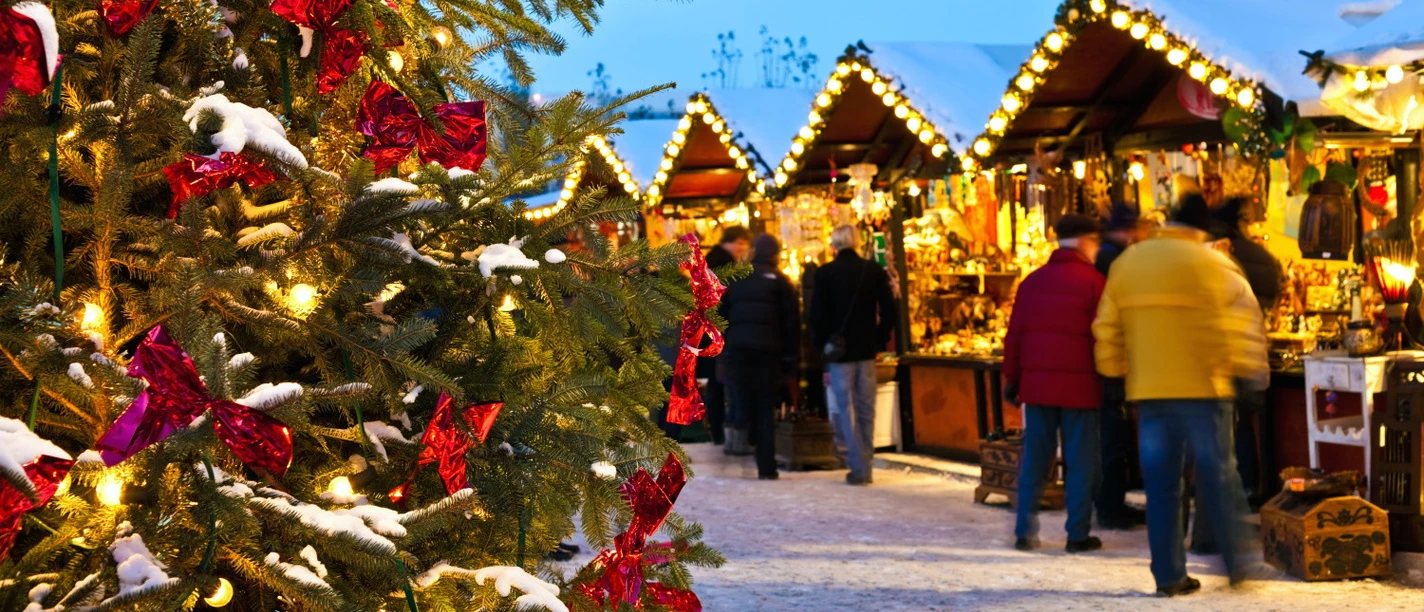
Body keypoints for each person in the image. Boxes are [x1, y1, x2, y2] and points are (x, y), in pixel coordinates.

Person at [1093, 196, 1269, 597]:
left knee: (1162, 487)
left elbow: (1106, 326)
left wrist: (1116, 370)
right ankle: (1237, 565)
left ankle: (1170, 575)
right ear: (1202, 228)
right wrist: (1246, 374)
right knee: (1219, 476)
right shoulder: (1212, 263)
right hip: (1206, 390)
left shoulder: (1129, 263)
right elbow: (1239, 324)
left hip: (1151, 393)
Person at [1003, 214, 1106, 554]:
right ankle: (1077, 535)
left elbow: (1014, 337)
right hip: (1081, 390)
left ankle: (1023, 530)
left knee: (1035, 459)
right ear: (1086, 242)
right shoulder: (1095, 283)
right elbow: (1103, 339)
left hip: (1038, 389)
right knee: (1080, 463)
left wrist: (1013, 379)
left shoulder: (1031, 283)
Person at [810, 225, 897, 485]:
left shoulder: (825, 273)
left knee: (845, 410)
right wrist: (879, 338)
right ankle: (865, 465)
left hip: (839, 354)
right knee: (866, 408)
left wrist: (824, 346)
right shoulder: (872, 270)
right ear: (857, 242)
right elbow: (890, 310)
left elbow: (817, 316)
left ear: (834, 243)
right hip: (867, 351)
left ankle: (858, 466)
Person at [718, 234, 799, 480]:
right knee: (766, 405)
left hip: (740, 351)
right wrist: (791, 358)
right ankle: (766, 466)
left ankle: (747, 433)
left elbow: (723, 315)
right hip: (769, 352)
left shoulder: (739, 279)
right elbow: (791, 323)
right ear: (775, 254)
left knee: (745, 399)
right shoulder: (781, 282)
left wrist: (726, 347)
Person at [1094, 204, 1148, 530]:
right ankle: (1111, 507)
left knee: (1112, 439)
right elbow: (1113, 320)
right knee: (1113, 440)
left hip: (1109, 363)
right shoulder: (1116, 260)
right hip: (1112, 366)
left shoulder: (1107, 256)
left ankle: (1111, 503)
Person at [701, 226, 750, 448]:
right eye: (740, 243)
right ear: (730, 242)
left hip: (712, 328)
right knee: (721, 382)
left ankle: (719, 430)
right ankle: (722, 430)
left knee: (718, 381)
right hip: (719, 330)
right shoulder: (723, 262)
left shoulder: (714, 259)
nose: (742, 248)